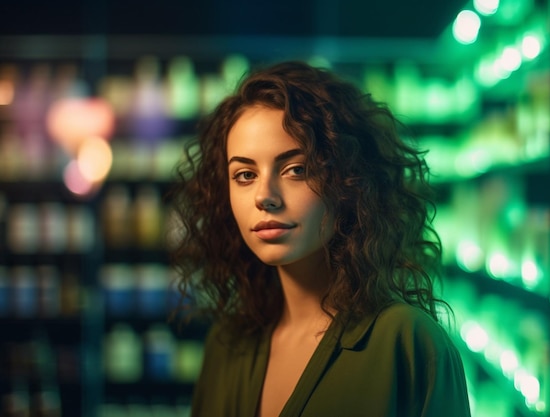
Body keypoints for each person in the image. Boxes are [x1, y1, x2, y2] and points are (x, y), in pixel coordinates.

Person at [169, 60, 472, 417]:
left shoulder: (408, 342)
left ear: (349, 182)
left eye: (296, 169)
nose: (264, 196)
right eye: (245, 174)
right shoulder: (227, 343)